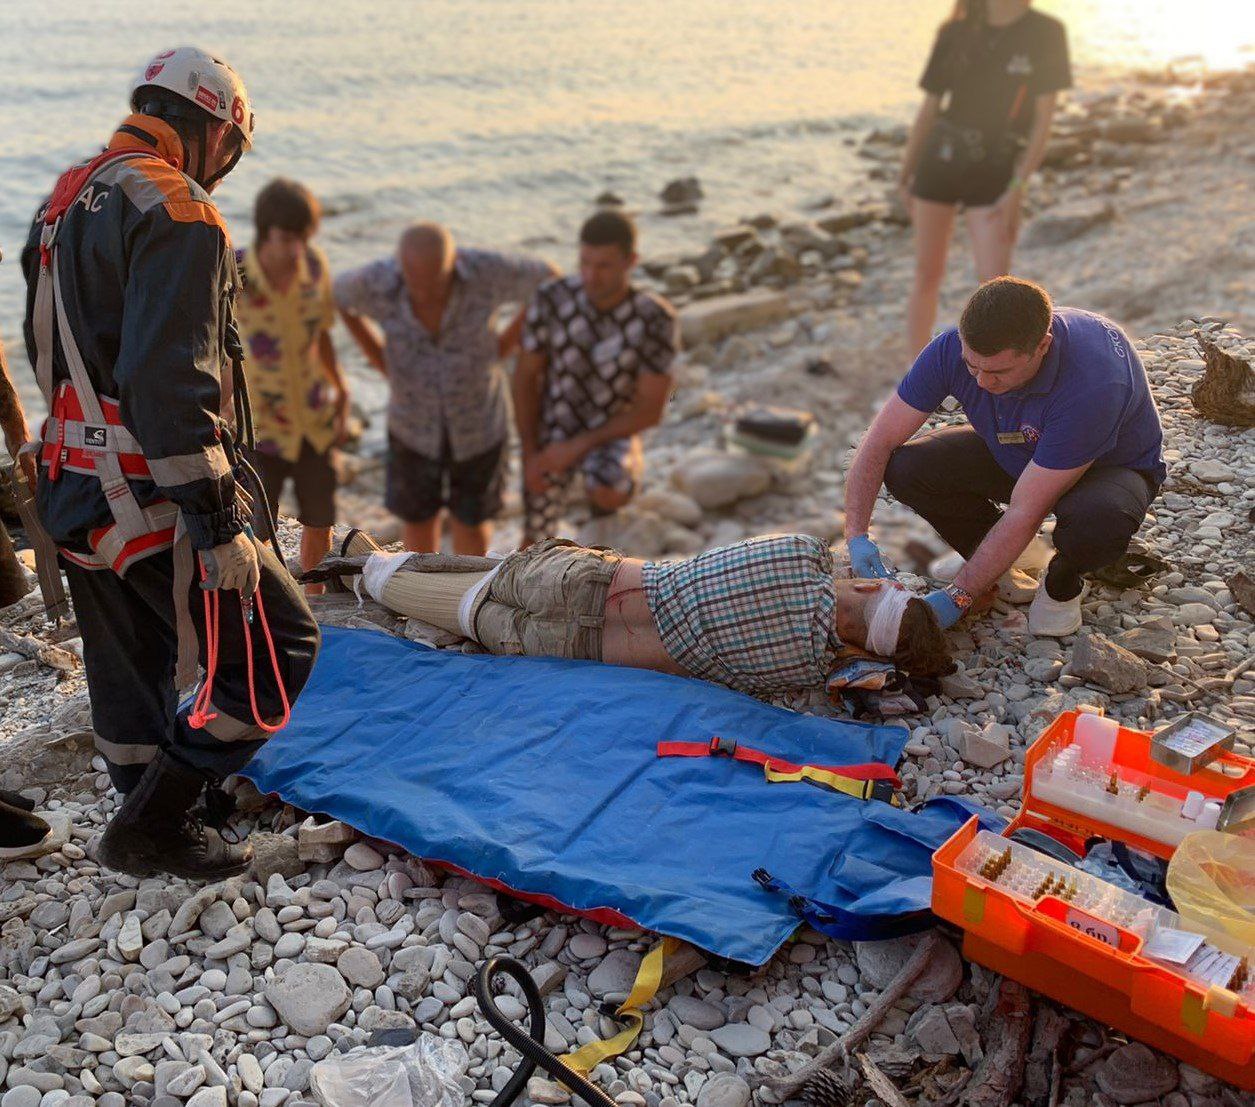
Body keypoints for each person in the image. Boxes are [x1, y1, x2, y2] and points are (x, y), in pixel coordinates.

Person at [19, 48, 320, 880]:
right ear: (215, 128)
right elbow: (169, 378)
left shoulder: (65, 197)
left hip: (74, 481)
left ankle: (154, 803)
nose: (227, 169)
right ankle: (154, 823)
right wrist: (218, 519)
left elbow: (68, 347)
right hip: (147, 487)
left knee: (133, 657)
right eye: (233, 149)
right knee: (280, 645)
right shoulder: (181, 208)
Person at [843, 277, 1165, 638]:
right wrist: (857, 536)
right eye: (971, 367)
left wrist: (958, 597)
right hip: (1016, 446)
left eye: (997, 372)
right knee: (907, 467)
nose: (981, 383)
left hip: (1108, 469)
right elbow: (878, 442)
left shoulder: (1095, 383)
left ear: (1042, 346)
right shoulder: (951, 349)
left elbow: (1026, 509)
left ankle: (1062, 582)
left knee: (1097, 522)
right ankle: (1005, 558)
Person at [324, 530, 952, 696]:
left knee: (496, 572)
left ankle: (361, 556)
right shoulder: (807, 667)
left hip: (589, 582)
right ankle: (366, 567)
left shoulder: (800, 554)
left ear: (872, 592)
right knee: (469, 611)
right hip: (572, 651)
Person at [336, 223, 555, 555]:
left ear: (452, 265)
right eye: (415, 283)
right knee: (418, 521)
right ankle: (422, 599)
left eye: (434, 282)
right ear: (401, 267)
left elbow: (549, 279)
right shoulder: (379, 282)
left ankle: (468, 596)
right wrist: (380, 359)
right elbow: (337, 295)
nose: (423, 292)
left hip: (478, 422)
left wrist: (504, 346)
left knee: (472, 519)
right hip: (412, 424)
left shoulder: (484, 272)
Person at [899, 0, 1071, 356]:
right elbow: (930, 108)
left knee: (995, 286)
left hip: (995, 168)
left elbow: (1044, 120)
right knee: (925, 274)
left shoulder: (1046, 32)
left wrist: (1017, 188)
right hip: (940, 159)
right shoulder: (956, 31)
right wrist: (905, 174)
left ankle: (989, 372)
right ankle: (916, 375)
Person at [514, 211, 678, 546]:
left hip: (613, 427)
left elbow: (651, 410)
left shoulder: (654, 317)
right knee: (534, 538)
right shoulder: (552, 299)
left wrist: (576, 447)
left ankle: (604, 525)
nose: (591, 276)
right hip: (554, 425)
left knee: (608, 489)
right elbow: (524, 378)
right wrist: (530, 454)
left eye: (603, 266)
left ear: (630, 261)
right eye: (584, 263)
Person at [235, 178, 349, 590]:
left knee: (321, 520)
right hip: (257, 424)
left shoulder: (312, 267)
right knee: (257, 530)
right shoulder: (234, 271)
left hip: (312, 416)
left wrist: (340, 389)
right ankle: (268, 609)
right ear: (266, 231)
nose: (296, 249)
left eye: (303, 238)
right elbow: (207, 344)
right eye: (287, 238)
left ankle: (316, 604)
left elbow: (320, 333)